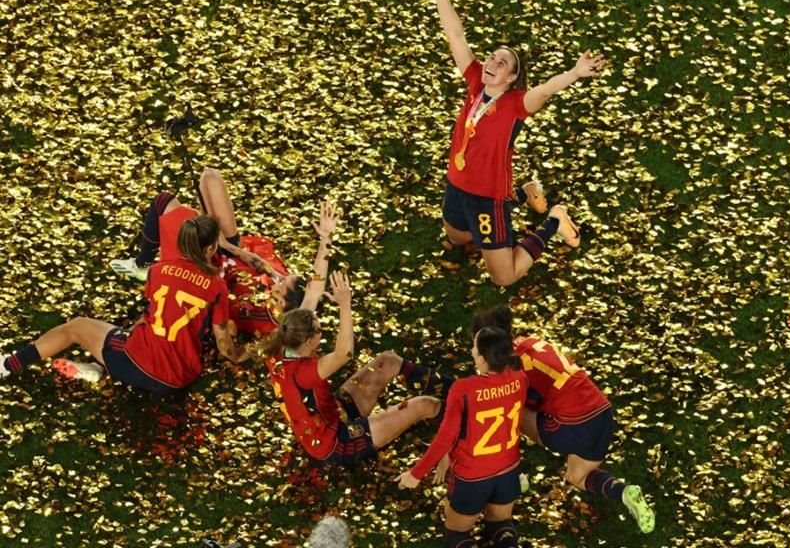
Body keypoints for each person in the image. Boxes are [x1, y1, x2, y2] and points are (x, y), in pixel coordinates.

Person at [417, 0, 606, 287]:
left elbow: (546, 90)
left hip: (488, 197)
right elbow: (457, 37)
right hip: (457, 184)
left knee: (504, 276)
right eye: (492, 56)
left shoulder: (517, 104)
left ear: (512, 78)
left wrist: (575, 73)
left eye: (502, 62)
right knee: (459, 238)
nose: (492, 62)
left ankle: (554, 220)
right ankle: (525, 192)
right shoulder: (476, 80)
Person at [0, 216, 246, 393]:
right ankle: (97, 369)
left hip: (141, 364)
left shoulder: (158, 270)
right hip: (180, 376)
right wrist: (243, 355)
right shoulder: (216, 286)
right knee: (128, 335)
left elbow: (152, 313)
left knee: (77, 326)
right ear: (211, 248)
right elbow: (224, 344)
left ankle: (8, 365)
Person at [472, 305, 655, 533]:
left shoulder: (511, 371)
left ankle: (516, 473)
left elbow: (522, 401)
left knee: (506, 409)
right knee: (577, 476)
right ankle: (624, 492)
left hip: (572, 424)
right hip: (602, 413)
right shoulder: (528, 342)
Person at [110, 167, 336, 336]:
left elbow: (314, 293)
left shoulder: (281, 326)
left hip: (205, 266)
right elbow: (265, 267)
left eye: (282, 284)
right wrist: (230, 247)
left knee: (164, 204)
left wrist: (211, 254)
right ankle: (200, 230)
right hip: (229, 254)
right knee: (210, 178)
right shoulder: (280, 287)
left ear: (283, 305)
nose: (279, 278)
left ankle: (144, 264)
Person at [258, 270, 446, 467]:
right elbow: (344, 353)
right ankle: (460, 425)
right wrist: (345, 304)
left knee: (388, 361)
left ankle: (452, 387)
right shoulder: (304, 372)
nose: (321, 329)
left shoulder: (284, 340)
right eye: (319, 329)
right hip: (336, 443)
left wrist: (325, 241)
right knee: (425, 404)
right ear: (308, 341)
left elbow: (313, 293)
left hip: (334, 413)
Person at [397, 326, 528, 548]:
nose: (471, 350)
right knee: (500, 523)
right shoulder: (520, 378)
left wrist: (416, 473)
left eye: (475, 348)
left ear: (483, 360)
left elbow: (445, 437)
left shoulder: (463, 389)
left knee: (456, 532)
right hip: (508, 470)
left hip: (472, 476)